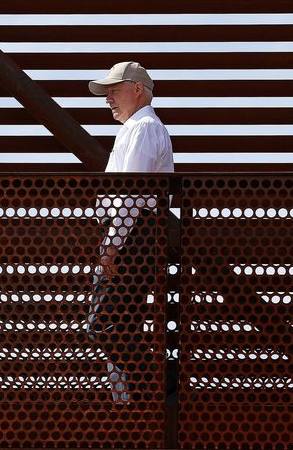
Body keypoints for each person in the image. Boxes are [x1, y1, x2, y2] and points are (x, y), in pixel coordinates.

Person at [85, 61, 174, 403]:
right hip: (132, 234)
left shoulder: (144, 128)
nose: (108, 98)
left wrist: (111, 246)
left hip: (131, 235)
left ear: (137, 90)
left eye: (114, 90)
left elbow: (132, 194)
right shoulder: (138, 128)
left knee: (103, 324)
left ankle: (159, 381)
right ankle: (139, 398)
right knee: (123, 324)